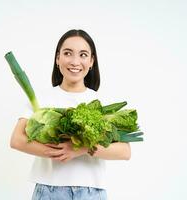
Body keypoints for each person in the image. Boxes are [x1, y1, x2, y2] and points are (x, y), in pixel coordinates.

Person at [10, 29, 131, 200]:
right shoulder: (40, 98)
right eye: (68, 53)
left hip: (92, 193)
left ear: (91, 61)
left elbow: (124, 151)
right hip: (49, 191)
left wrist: (81, 149)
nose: (75, 61)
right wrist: (61, 152)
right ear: (57, 58)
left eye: (83, 55)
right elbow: (17, 140)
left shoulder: (101, 102)